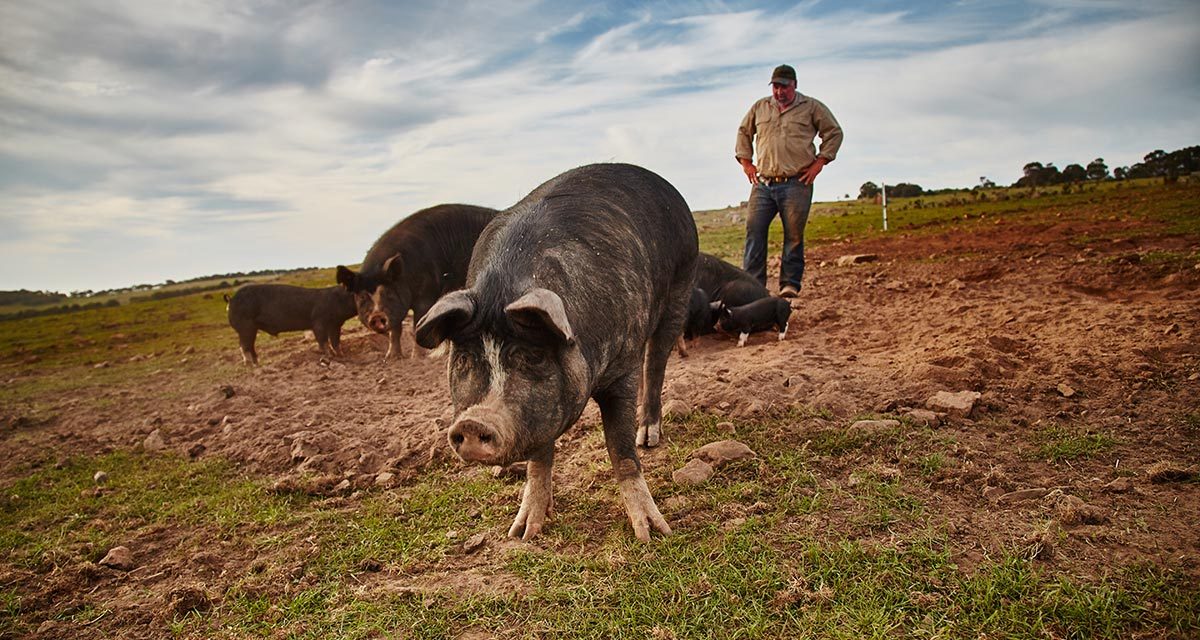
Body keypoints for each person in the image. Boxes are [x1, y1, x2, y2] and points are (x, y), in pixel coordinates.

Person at [735, 64, 843, 298]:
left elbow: (834, 133)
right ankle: (753, 286)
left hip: (797, 182)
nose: (779, 92)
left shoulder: (811, 107)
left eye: (784, 87)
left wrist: (819, 163)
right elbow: (744, 132)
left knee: (793, 235)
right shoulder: (760, 107)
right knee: (755, 232)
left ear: (794, 85)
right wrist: (746, 163)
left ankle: (789, 285)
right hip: (763, 182)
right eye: (775, 86)